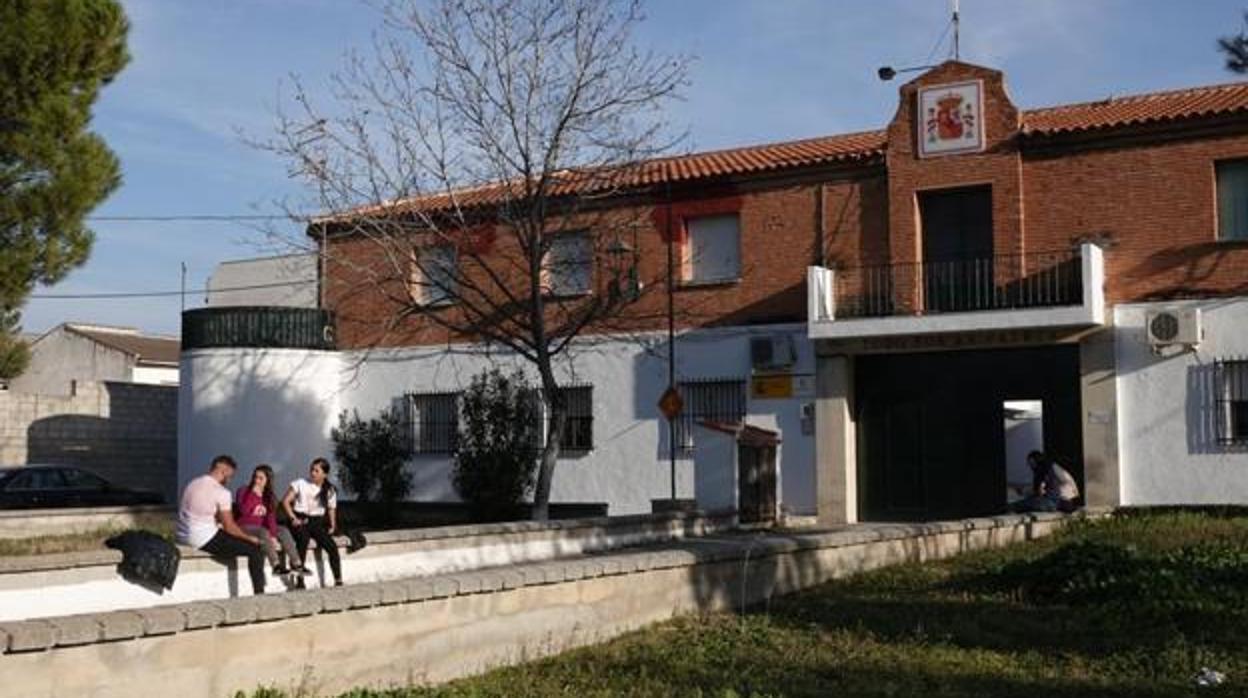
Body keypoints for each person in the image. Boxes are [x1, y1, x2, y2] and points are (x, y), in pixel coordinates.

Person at [175, 454, 267, 595]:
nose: (230, 480)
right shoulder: (221, 492)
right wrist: (250, 539)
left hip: (182, 535)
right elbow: (230, 527)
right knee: (255, 551)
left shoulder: (192, 483)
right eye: (230, 476)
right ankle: (260, 595)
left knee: (230, 539)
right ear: (224, 471)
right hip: (201, 538)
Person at [234, 464, 306, 577]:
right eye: (255, 477)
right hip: (244, 526)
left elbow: (271, 518)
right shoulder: (243, 491)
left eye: (260, 478)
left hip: (262, 527)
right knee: (263, 531)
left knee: (283, 530)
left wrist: (273, 535)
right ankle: (276, 566)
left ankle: (297, 564)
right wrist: (253, 494)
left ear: (267, 481)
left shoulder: (269, 496)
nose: (256, 481)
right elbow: (243, 510)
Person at [283, 457, 343, 586]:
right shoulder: (300, 483)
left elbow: (332, 508)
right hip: (299, 518)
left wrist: (333, 525)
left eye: (316, 471)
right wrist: (293, 518)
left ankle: (338, 580)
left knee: (331, 546)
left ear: (324, 474)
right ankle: (300, 580)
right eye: (312, 469)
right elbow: (286, 501)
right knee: (303, 540)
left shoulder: (330, 490)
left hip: (316, 522)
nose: (312, 473)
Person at [1012, 450, 1080, 513]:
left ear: (1037, 460)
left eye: (1031, 463)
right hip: (1055, 498)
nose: (1030, 466)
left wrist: (1065, 494)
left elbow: (1067, 481)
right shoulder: (1041, 472)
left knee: (1024, 504)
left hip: (1061, 498)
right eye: (1029, 463)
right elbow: (1039, 489)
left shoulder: (1051, 468)